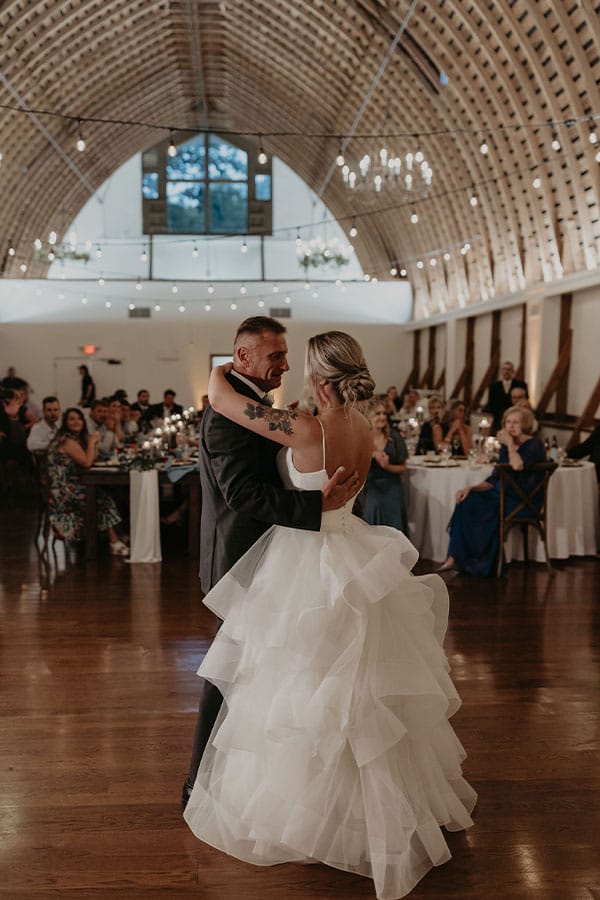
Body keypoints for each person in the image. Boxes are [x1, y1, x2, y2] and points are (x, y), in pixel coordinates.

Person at [183, 328, 476, 900]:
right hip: (352, 550)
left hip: (308, 558)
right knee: (358, 684)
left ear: (319, 377)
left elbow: (220, 402)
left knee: (297, 679)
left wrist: (218, 375)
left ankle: (304, 806)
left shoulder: (306, 427)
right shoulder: (365, 427)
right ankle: (374, 801)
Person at [181, 317, 360, 810]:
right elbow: (240, 493)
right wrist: (313, 507)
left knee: (257, 670)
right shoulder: (227, 414)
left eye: (287, 356)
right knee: (229, 671)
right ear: (242, 358)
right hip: (241, 556)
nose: (284, 364)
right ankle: (199, 781)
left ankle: (244, 774)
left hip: (279, 557)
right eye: (275, 355)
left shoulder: (255, 406)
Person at [440, 405, 545, 576]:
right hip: (501, 494)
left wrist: (510, 444)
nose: (510, 426)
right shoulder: (506, 447)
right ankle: (454, 558)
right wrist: (470, 487)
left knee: (476, 505)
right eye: (508, 422)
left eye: (516, 423)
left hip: (522, 501)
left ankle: (478, 563)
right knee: (465, 499)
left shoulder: (534, 444)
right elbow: (495, 478)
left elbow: (517, 466)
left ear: (525, 424)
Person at [46, 408, 128, 555]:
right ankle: (114, 541)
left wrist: (94, 443)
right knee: (102, 498)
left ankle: (117, 535)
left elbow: (91, 457)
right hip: (63, 489)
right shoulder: (67, 441)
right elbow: (86, 463)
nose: (76, 422)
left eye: (79, 418)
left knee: (107, 492)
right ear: (65, 422)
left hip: (75, 482)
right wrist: (91, 442)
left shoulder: (74, 439)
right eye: (72, 419)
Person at [363, 399, 408, 533]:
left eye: (384, 413)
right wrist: (371, 454)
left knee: (394, 512)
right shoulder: (363, 437)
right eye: (377, 413)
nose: (382, 417)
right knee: (375, 505)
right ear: (369, 416)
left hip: (392, 483)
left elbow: (403, 468)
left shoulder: (394, 437)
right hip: (372, 484)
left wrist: (387, 466)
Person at [485, 360, 527, 433]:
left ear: (513, 371)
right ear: (501, 371)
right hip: (498, 420)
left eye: (509, 369)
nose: (506, 372)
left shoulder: (521, 385)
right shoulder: (494, 386)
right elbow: (491, 403)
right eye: (504, 369)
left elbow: (525, 401)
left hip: (516, 419)